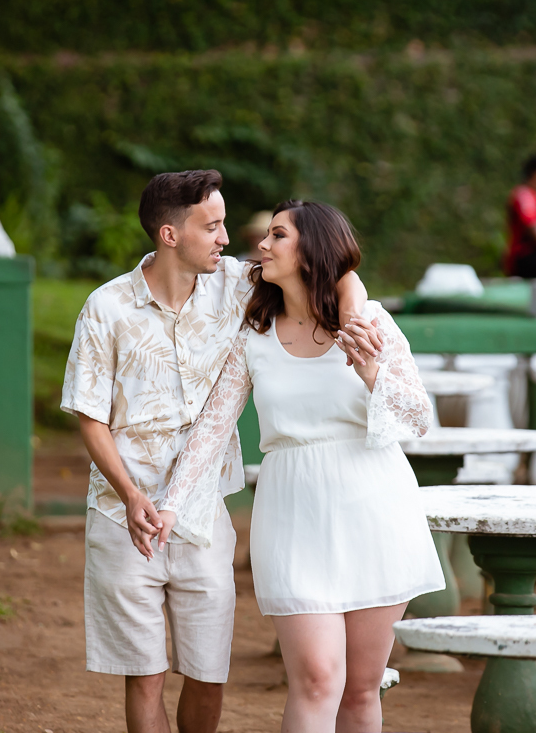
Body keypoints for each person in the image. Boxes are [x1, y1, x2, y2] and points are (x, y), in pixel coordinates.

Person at [63, 171, 378, 733]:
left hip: (205, 512)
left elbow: (334, 263)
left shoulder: (235, 283)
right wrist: (131, 494)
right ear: (169, 234)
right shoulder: (105, 308)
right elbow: (90, 416)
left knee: (208, 674)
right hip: (122, 514)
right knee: (146, 674)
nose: (226, 238)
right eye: (211, 226)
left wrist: (353, 313)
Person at [157, 200, 446, 733]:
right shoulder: (255, 337)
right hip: (293, 514)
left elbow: (419, 416)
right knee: (315, 678)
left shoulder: (370, 321)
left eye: (278, 235)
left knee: (360, 689)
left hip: (375, 509)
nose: (262, 245)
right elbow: (214, 426)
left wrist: (371, 371)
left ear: (312, 251)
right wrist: (169, 505)